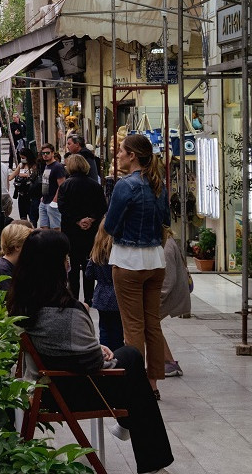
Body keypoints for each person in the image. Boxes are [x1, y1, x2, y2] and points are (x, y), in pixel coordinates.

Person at [9, 228, 174, 473]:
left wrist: (98, 350)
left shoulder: (21, 303)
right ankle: (149, 456)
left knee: (128, 356)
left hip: (50, 386)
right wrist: (102, 355)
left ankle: (130, 431)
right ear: (55, 264)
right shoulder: (67, 312)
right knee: (133, 363)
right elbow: (92, 364)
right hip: (74, 390)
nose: (68, 262)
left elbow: (71, 349)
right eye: (64, 257)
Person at [103, 133, 171, 397]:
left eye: (121, 150)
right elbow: (165, 219)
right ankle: (153, 383)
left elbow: (110, 225)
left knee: (132, 325)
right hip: (155, 259)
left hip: (129, 260)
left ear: (132, 155)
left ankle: (137, 384)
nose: (117, 154)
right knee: (152, 324)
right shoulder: (158, 185)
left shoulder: (125, 185)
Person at [57, 153, 107, 304]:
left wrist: (77, 221)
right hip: (90, 231)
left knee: (73, 263)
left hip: (72, 230)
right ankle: (89, 297)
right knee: (88, 263)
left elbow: (62, 207)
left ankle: (73, 295)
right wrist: (90, 219)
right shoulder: (95, 185)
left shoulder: (66, 185)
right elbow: (102, 207)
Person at [160, 227, 191, 377]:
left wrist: (154, 301)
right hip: (173, 292)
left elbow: (168, 282)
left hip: (171, 295)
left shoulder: (166, 246)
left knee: (146, 323)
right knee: (148, 325)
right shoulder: (167, 241)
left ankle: (169, 362)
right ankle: (168, 362)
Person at [88, 226, 125, 350]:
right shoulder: (117, 251)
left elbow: (89, 273)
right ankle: (118, 356)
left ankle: (105, 353)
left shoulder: (96, 251)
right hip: (116, 294)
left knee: (104, 328)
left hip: (101, 294)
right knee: (118, 330)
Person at [0, 219, 32, 290]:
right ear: (17, 247)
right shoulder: (2, 269)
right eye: (28, 244)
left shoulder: (11, 264)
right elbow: (10, 297)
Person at [37, 143, 66, 229]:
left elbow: (61, 185)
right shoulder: (46, 166)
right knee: (43, 227)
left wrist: (55, 200)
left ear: (53, 153)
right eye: (43, 153)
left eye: (47, 153)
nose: (45, 155)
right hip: (44, 200)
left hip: (52, 202)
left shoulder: (57, 167)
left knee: (56, 228)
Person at [13, 148, 41, 225]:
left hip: (31, 194)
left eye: (23, 158)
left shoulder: (35, 165)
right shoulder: (21, 165)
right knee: (23, 217)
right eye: (21, 158)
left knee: (32, 218)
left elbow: (35, 176)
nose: (22, 159)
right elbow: (11, 176)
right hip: (22, 193)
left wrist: (25, 175)